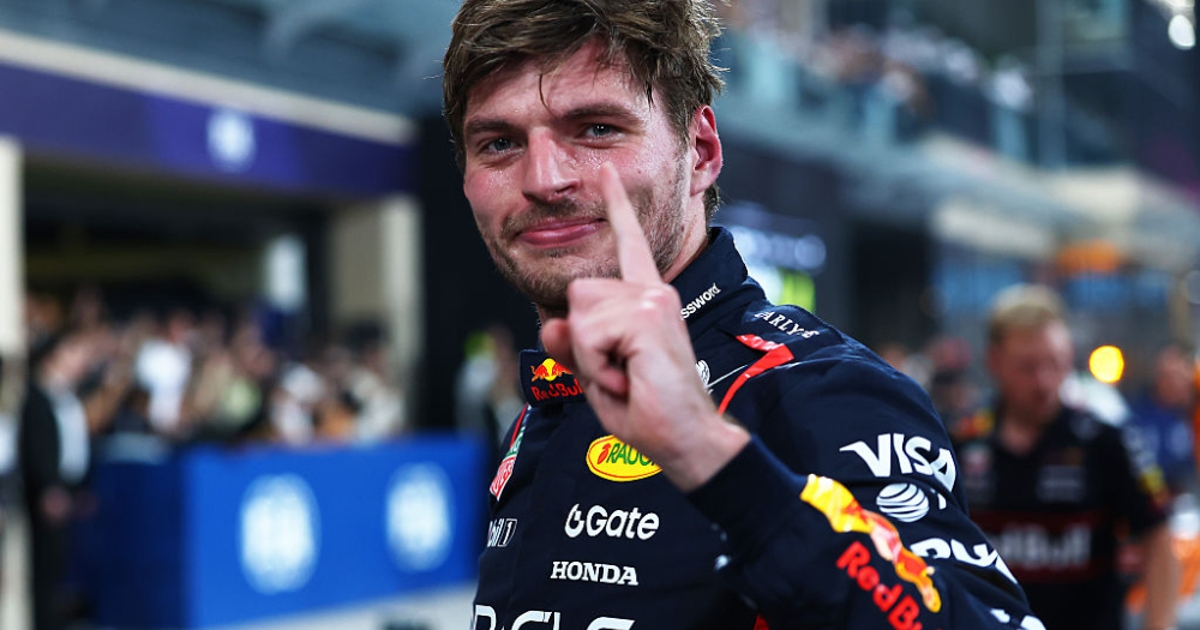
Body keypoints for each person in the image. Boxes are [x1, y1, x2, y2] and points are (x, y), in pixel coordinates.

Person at [442, 1, 1040, 628]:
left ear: (700, 152)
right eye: (499, 143)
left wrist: (710, 455)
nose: (543, 179)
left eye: (596, 129)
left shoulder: (822, 394)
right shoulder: (549, 402)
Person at [951, 284, 1179, 630]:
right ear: (993, 362)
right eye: (1027, 367)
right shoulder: (958, 442)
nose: (1043, 382)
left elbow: (1159, 539)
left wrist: (1158, 625)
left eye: (1055, 363)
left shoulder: (1105, 441)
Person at [1128, 341, 1198, 498]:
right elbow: (1140, 464)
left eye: (1179, 376)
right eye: (1167, 376)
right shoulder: (1139, 417)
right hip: (1153, 500)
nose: (1173, 383)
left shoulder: (1192, 415)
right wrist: (1160, 492)